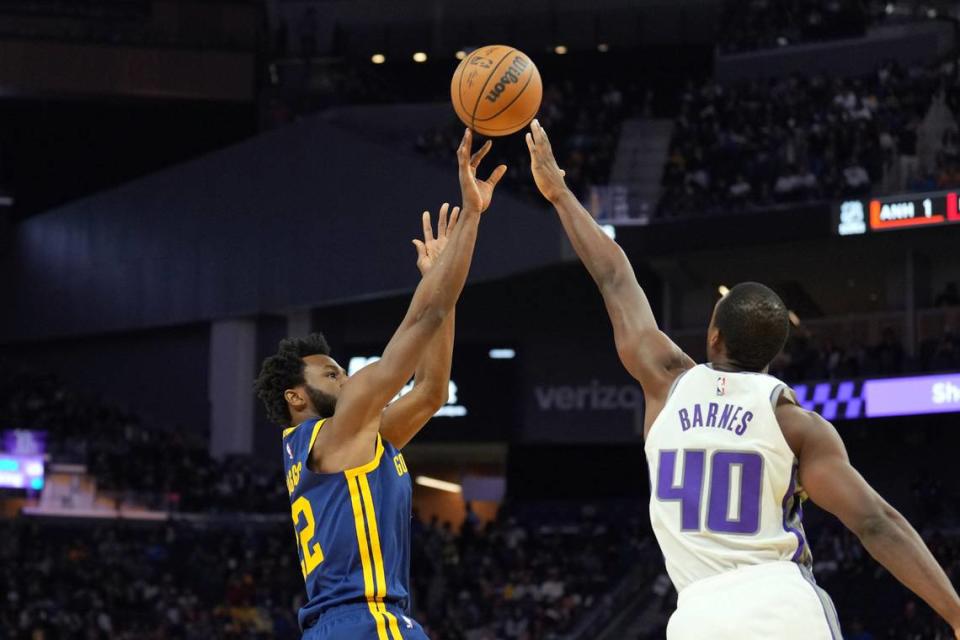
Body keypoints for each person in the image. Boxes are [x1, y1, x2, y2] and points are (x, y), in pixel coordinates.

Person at [524, 119, 960, 639]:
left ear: (713, 337)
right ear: (775, 355)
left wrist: (559, 193)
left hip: (699, 617)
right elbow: (874, 522)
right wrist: (955, 611)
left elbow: (614, 275)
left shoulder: (666, 381)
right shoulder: (797, 427)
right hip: (783, 606)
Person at [254, 129, 505, 640]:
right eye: (330, 373)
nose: (345, 378)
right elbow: (424, 315)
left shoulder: (344, 442)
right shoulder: (335, 433)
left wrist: (443, 287)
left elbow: (432, 390)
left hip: (344, 626)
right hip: (366, 621)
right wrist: (471, 219)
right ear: (296, 396)